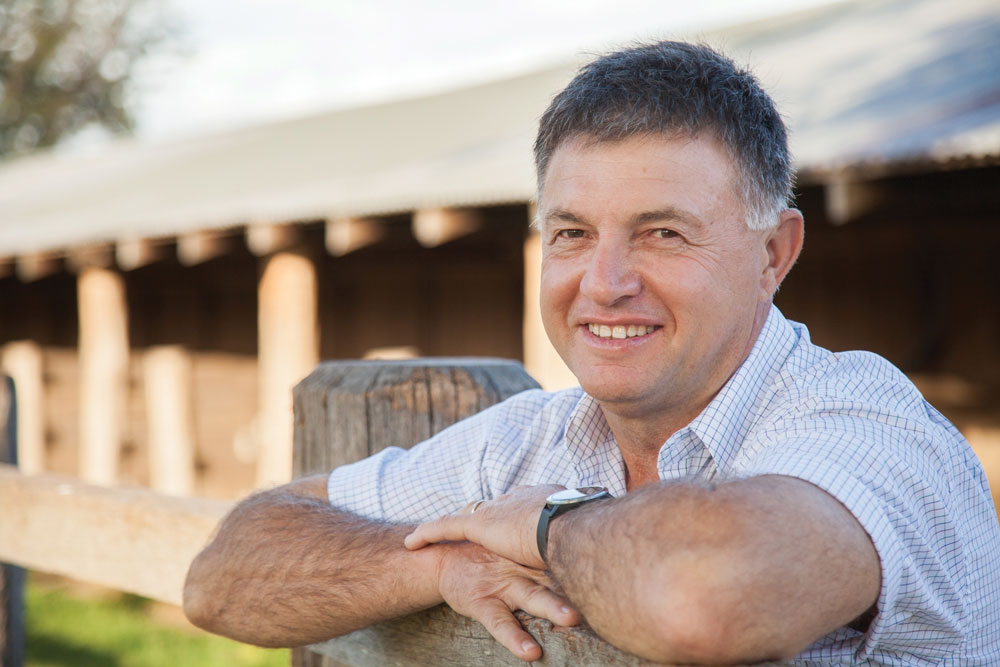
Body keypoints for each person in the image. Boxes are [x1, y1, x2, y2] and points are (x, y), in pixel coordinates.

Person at [183, 41, 1000, 665]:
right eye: (572, 233)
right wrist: (440, 569)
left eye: (663, 233)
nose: (603, 283)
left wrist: (541, 527)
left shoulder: (868, 419)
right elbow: (223, 574)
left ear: (773, 255)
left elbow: (702, 592)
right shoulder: (532, 438)